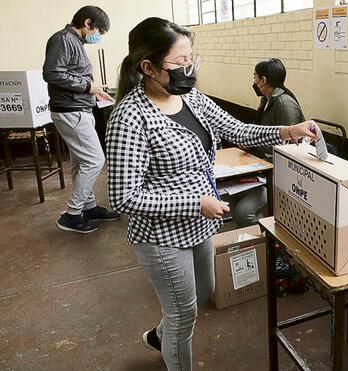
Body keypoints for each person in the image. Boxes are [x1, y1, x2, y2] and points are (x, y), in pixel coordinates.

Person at [105, 17, 318, 371]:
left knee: (203, 292)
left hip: (201, 225)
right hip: (161, 235)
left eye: (192, 59)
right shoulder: (130, 117)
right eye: (181, 62)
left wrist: (288, 129)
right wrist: (195, 202)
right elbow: (124, 197)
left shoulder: (191, 98)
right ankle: (172, 344)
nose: (190, 69)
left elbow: (237, 129)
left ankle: (161, 336)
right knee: (182, 314)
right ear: (148, 66)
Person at [43, 5, 119, 234]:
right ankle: (72, 214)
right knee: (95, 160)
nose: (98, 37)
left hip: (79, 108)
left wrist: (95, 92)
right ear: (87, 23)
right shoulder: (63, 39)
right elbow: (52, 73)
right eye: (99, 31)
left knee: (80, 162)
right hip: (70, 110)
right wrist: (88, 86)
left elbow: (72, 75)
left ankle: (88, 206)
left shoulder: (75, 42)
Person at [227, 57, 305, 227]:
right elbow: (265, 132)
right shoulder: (267, 100)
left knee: (243, 211)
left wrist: (255, 145)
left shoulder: (285, 104)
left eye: (255, 77)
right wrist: (250, 142)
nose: (253, 81)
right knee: (231, 197)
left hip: (278, 173)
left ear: (263, 80)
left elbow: (290, 147)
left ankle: (266, 238)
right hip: (263, 165)